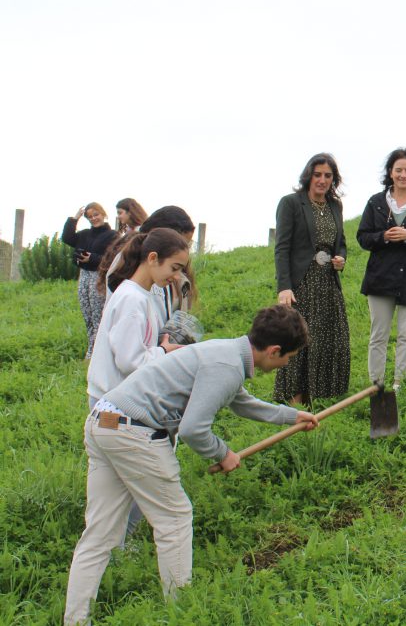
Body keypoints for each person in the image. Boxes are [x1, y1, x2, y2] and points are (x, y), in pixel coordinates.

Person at [64, 305, 319, 626]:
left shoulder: (225, 352)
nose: (285, 364)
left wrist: (291, 416)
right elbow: (193, 429)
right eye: (288, 358)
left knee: (99, 534)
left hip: (105, 421)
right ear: (274, 351)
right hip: (134, 432)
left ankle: (74, 620)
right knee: (175, 519)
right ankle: (182, 612)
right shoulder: (227, 365)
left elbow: (240, 401)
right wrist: (223, 453)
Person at [357, 147, 406, 392]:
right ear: (390, 173)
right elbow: (362, 237)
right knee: (378, 334)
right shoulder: (376, 203)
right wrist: (383, 236)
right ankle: (376, 385)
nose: (403, 175)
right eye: (399, 170)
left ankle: (400, 384)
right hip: (380, 279)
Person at [274, 153, 350, 406]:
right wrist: (284, 287)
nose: (322, 180)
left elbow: (341, 244)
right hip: (302, 285)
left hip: (328, 283)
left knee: (329, 340)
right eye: (317, 174)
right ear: (308, 175)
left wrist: (340, 259)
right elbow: (282, 248)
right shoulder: (291, 203)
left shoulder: (335, 206)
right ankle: (294, 401)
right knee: (299, 340)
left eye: (328, 176)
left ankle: (319, 399)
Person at [88, 228, 191, 410]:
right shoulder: (132, 299)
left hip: (117, 398)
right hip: (112, 403)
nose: (176, 277)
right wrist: (163, 352)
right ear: (152, 258)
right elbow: (130, 361)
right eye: (174, 268)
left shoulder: (141, 295)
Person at [99, 205, 198, 326]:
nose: (184, 249)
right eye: (180, 243)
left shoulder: (162, 269)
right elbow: (129, 335)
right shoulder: (134, 270)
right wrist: (162, 345)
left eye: (187, 245)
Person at [62, 203, 118, 358]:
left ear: (103, 214)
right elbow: (67, 238)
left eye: (96, 214)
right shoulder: (85, 234)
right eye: (90, 216)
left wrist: (92, 258)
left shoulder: (113, 235)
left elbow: (113, 258)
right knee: (87, 312)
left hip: (99, 276)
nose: (94, 218)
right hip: (84, 276)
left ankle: (100, 351)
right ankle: (91, 347)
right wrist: (74, 219)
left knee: (98, 313)